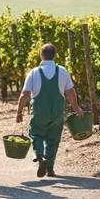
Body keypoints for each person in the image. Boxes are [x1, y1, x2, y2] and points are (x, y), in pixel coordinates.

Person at [16, 43, 84, 177]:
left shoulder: (34, 72)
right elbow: (70, 91)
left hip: (40, 113)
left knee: (35, 134)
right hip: (57, 113)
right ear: (54, 55)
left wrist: (19, 112)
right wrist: (76, 108)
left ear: (41, 55)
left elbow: (25, 94)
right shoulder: (62, 71)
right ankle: (50, 168)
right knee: (53, 139)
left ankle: (41, 157)